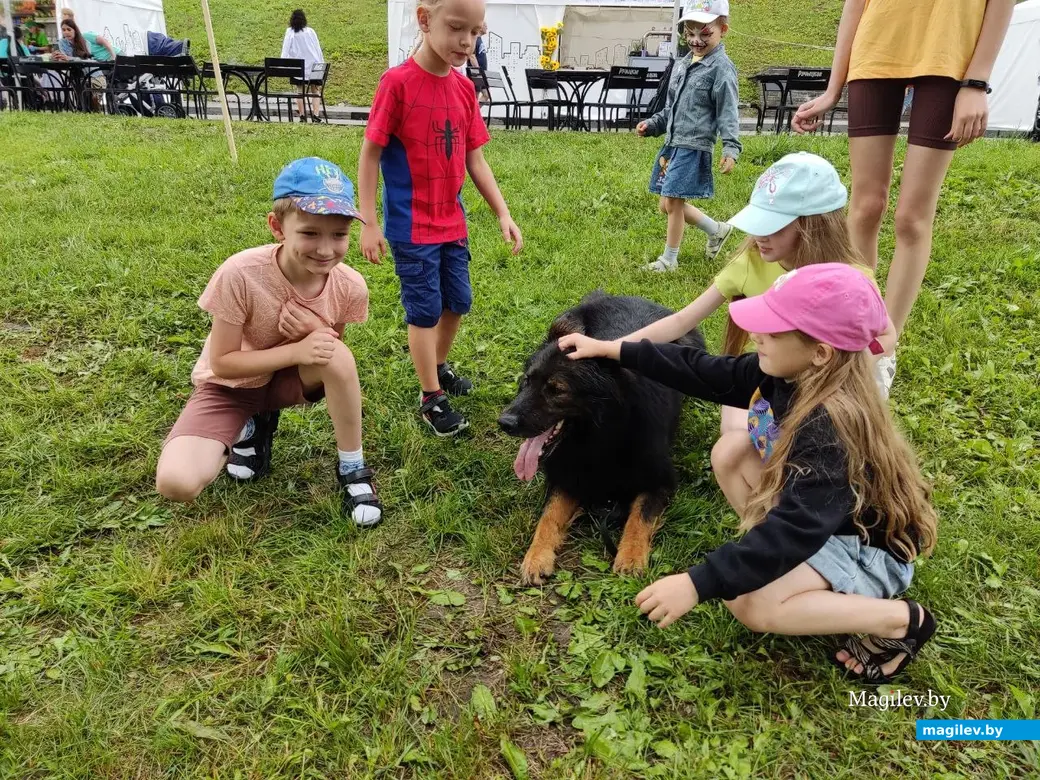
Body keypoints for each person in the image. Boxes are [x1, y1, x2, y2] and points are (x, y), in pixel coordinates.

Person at [560, 264, 939, 683]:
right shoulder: (793, 372)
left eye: (773, 329)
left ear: (820, 352)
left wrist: (697, 583)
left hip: (869, 552)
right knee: (732, 451)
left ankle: (898, 621)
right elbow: (699, 369)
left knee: (748, 603)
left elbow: (794, 530)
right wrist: (612, 349)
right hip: (826, 524)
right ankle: (786, 573)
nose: (756, 334)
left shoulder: (830, 428)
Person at [585, 153, 896, 436]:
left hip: (834, 382)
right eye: (757, 223)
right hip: (762, 370)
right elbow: (682, 320)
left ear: (812, 226)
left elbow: (886, 338)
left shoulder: (851, 279)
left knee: (821, 442)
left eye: (772, 227)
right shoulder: (750, 263)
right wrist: (612, 348)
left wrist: (828, 376)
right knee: (735, 445)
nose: (759, 236)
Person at [791, 0, 1016, 391]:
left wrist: (976, 82)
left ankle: (882, 349)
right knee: (865, 207)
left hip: (948, 58)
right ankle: (852, 332)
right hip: (875, 51)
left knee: (911, 218)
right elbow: (855, 6)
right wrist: (833, 88)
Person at [155, 158, 384, 528]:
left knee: (336, 355)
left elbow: (331, 353)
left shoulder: (350, 285)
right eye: (310, 233)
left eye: (339, 235)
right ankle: (247, 426)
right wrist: (295, 348)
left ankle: (354, 469)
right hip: (231, 386)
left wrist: (315, 328)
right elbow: (224, 362)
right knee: (176, 483)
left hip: (289, 380)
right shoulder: (240, 273)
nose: (326, 250)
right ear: (278, 227)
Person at [358, 0, 523, 437]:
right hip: (411, 225)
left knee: (458, 302)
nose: (466, 41)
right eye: (456, 28)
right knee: (425, 310)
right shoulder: (396, 84)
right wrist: (369, 220)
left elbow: (476, 158)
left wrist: (502, 212)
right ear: (425, 19)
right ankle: (430, 395)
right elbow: (370, 153)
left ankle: (438, 366)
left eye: (476, 32)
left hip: (453, 220)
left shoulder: (465, 90)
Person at [636, 0, 741, 272]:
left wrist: (731, 148)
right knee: (666, 204)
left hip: (694, 145)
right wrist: (654, 124)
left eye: (705, 33)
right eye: (690, 33)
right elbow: (671, 107)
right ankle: (716, 229)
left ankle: (669, 259)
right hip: (673, 143)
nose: (696, 40)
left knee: (672, 201)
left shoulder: (721, 68)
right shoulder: (683, 64)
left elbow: (728, 112)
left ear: (723, 30)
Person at [281, 9, 325, 123]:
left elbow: (285, 51)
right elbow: (318, 49)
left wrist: (283, 64)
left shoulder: (290, 32)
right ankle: (315, 114)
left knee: (300, 91)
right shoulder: (310, 31)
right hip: (314, 68)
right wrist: (321, 64)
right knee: (315, 91)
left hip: (298, 70)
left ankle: (302, 115)